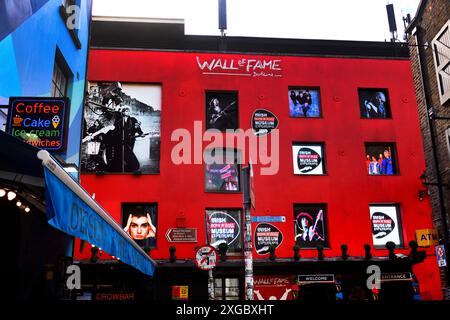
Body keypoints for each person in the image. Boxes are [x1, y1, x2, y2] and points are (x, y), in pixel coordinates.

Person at [104, 105, 145, 172]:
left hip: (131, 140)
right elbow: (115, 131)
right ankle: (119, 167)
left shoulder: (133, 120)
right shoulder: (119, 121)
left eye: (128, 111)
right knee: (121, 154)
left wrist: (141, 133)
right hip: (122, 141)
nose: (127, 112)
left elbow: (137, 128)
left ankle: (128, 166)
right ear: (123, 112)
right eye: (126, 111)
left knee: (129, 153)